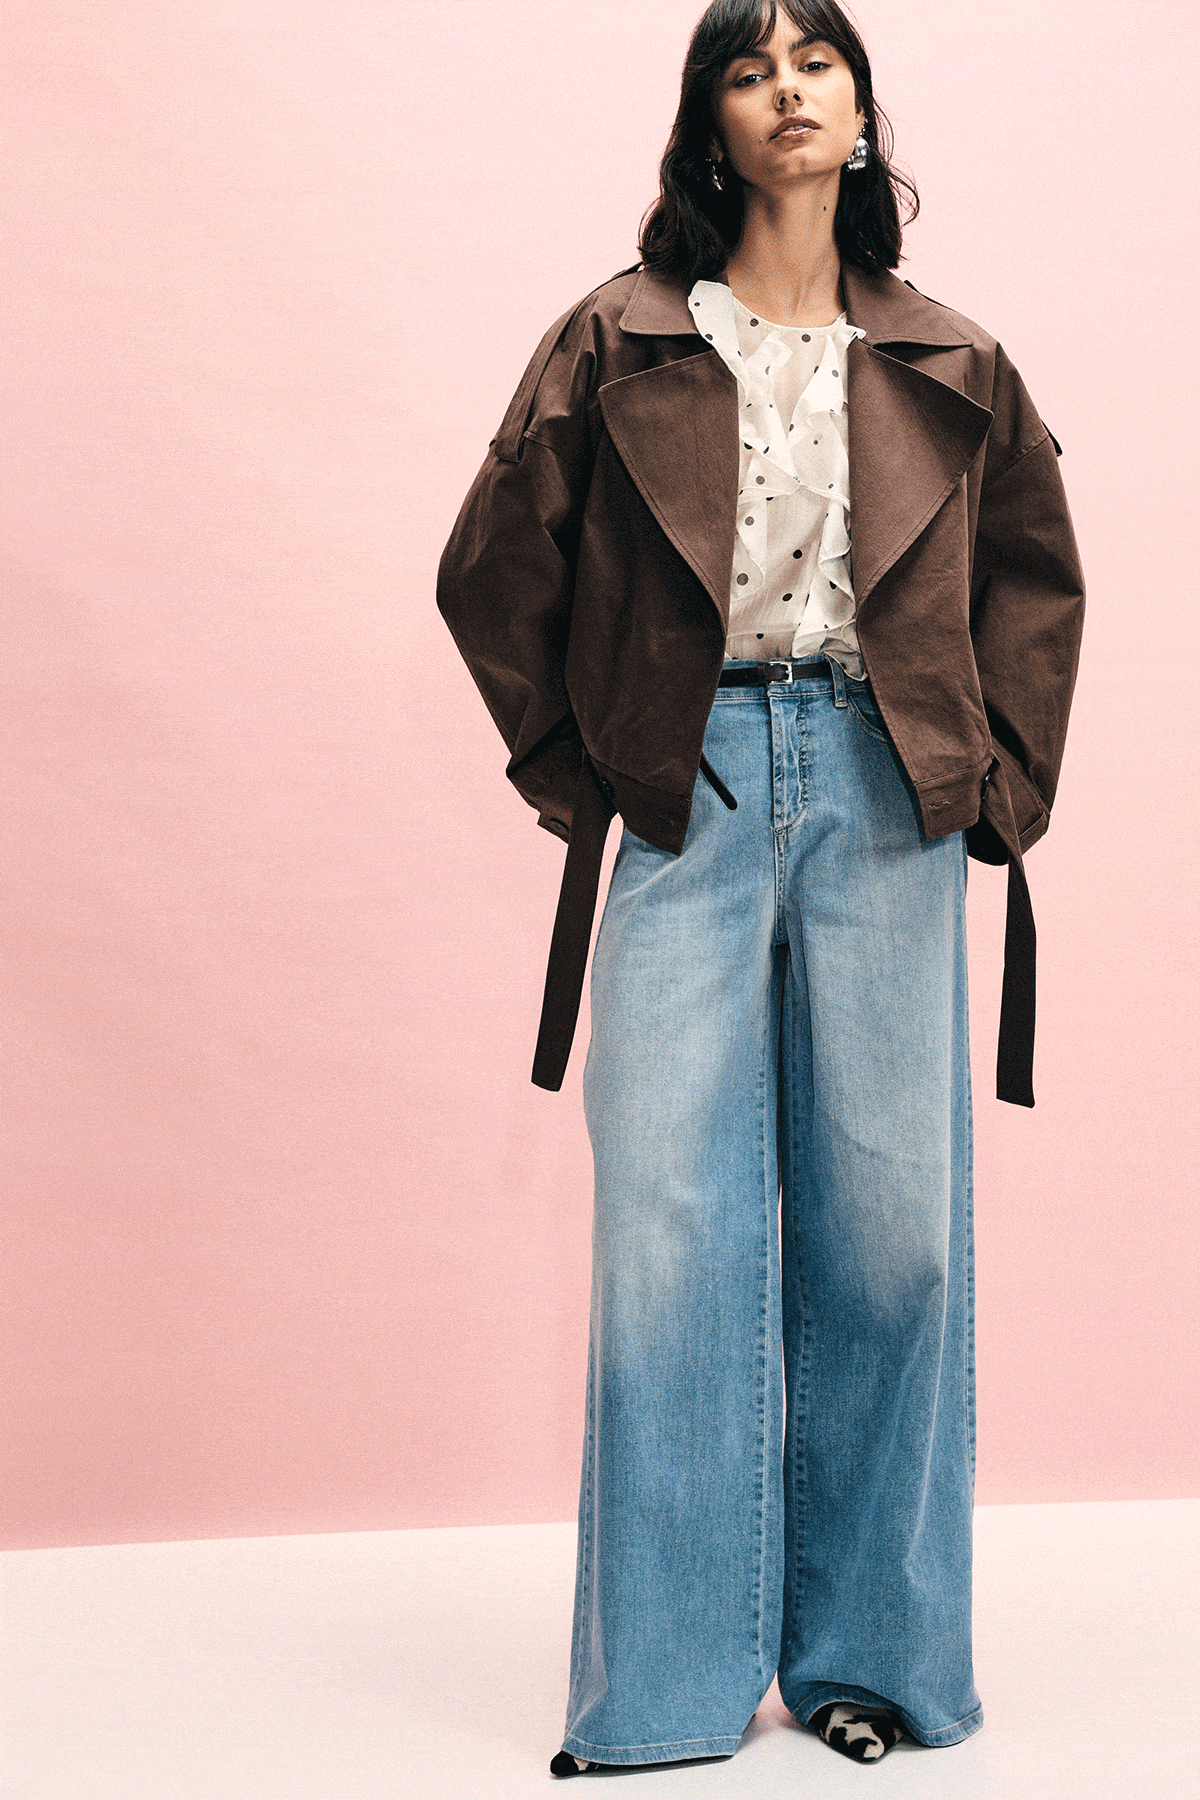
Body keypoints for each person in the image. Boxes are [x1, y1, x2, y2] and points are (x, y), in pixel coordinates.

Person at [437, 0, 1085, 1776]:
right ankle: (660, 1689)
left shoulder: (953, 356)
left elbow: (1036, 577)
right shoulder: (619, 335)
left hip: (887, 794)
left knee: (896, 1234)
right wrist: (601, 768)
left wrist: (992, 785)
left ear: (862, 106)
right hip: (691, 788)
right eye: (749, 64)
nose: (789, 88)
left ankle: (872, 1658)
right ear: (707, 122)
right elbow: (493, 570)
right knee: (669, 1236)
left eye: (816, 57)